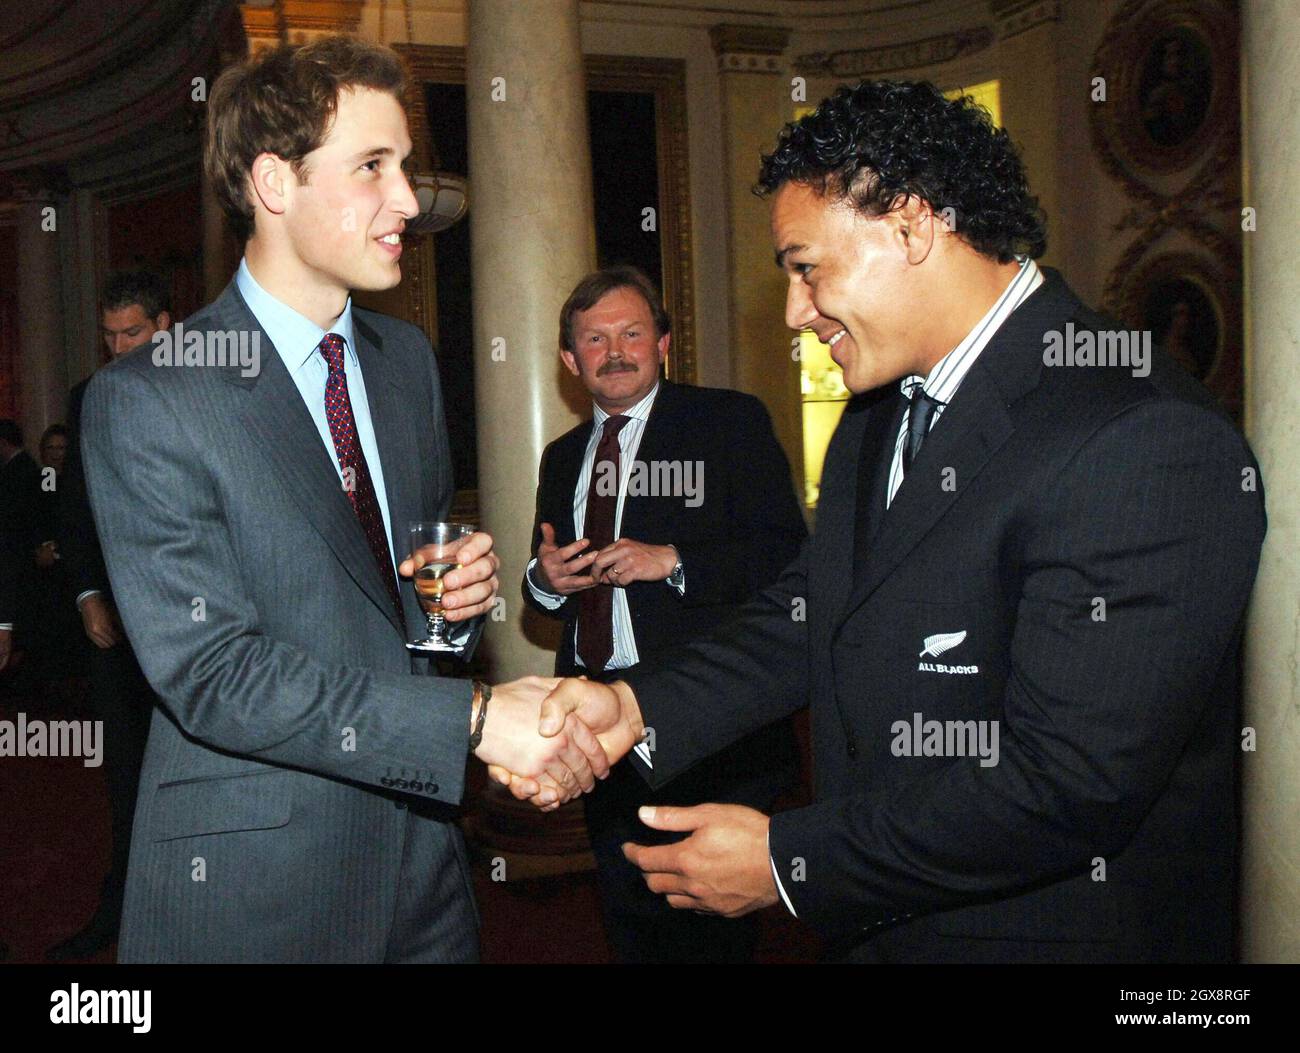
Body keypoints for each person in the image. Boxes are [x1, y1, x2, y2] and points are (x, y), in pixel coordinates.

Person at [524, 80, 1267, 964]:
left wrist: (789, 861)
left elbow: (1070, 782)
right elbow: (811, 611)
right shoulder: (882, 409)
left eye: (806, 267)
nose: (796, 311)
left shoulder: (1142, 432)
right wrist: (632, 704)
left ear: (912, 226)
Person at [79, 36, 605, 963]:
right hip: (260, 889)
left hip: (428, 862)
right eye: (373, 167)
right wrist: (477, 721)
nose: (407, 197)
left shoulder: (403, 366)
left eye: (404, 165)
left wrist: (450, 596)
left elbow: (397, 606)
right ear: (275, 184)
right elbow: (212, 673)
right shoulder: (151, 395)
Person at [524, 266, 805, 962]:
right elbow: (543, 585)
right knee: (628, 916)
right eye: (594, 338)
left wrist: (673, 559)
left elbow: (788, 558)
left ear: (664, 343)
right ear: (570, 359)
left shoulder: (726, 421)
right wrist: (544, 579)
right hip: (597, 732)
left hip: (704, 725)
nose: (614, 351)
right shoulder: (562, 458)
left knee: (708, 929)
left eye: (631, 333)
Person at [46, 271, 172, 960]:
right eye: (109, 336)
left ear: (164, 327)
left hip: (194, 620)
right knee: (125, 777)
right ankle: (120, 908)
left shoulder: (204, 388)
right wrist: (88, 592)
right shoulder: (89, 398)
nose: (119, 348)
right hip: (116, 627)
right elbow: (74, 508)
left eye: (132, 333)